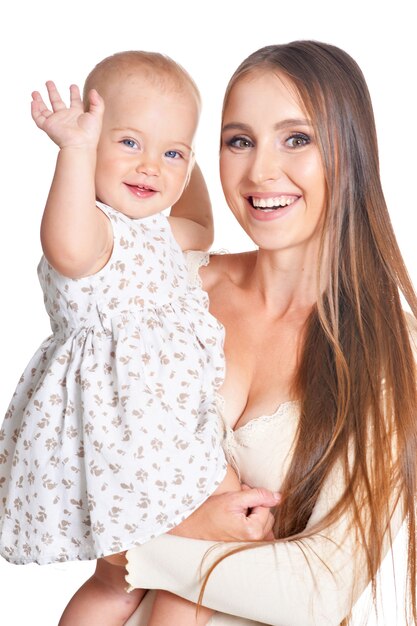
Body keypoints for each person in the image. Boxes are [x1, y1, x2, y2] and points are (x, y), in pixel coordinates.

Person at [123, 40, 417, 625]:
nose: (260, 170)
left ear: (349, 151)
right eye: (240, 141)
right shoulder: (171, 288)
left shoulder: (389, 347)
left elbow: (317, 591)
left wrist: (127, 554)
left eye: (297, 139)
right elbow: (63, 455)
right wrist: (180, 530)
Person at [0, 50, 247, 626]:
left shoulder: (157, 236)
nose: (150, 168)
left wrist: (182, 158)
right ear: (93, 139)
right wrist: (75, 151)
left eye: (171, 153)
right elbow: (65, 244)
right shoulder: (94, 234)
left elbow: (202, 227)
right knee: (149, 574)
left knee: (173, 573)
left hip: (169, 439)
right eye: (130, 143)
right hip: (123, 451)